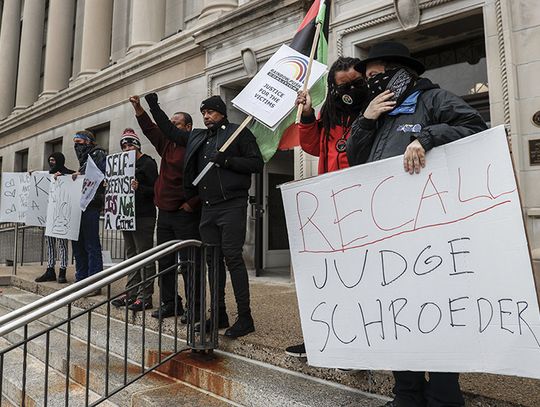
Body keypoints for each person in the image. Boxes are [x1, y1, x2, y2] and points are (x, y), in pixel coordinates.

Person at [347, 41, 488, 407]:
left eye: (375, 75)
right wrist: (366, 120)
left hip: (432, 229)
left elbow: (476, 126)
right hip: (388, 230)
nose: (369, 82)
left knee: (438, 310)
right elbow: (355, 159)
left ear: (399, 74)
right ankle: (406, 393)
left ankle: (443, 394)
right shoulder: (375, 110)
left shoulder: (434, 99)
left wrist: (426, 137)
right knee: (398, 312)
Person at [149, 94, 264, 339]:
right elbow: (169, 131)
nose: (206, 116)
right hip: (208, 207)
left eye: (210, 112)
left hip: (232, 205)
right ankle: (219, 313)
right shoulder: (198, 137)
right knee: (212, 261)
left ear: (221, 113)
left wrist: (227, 160)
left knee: (233, 258)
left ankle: (245, 317)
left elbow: (256, 163)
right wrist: (153, 106)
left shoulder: (238, 132)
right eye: (203, 112)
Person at [286, 56, 367, 358]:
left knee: (358, 281)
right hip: (330, 209)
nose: (349, 91)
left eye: (356, 84)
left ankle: (355, 344)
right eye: (342, 85)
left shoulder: (373, 113)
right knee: (328, 280)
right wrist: (307, 114)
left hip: (363, 209)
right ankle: (322, 338)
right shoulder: (330, 114)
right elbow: (310, 145)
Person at [129, 95, 201, 321]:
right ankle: (171, 303)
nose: (170, 127)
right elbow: (150, 128)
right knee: (166, 262)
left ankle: (195, 307)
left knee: (189, 263)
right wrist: (138, 108)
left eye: (176, 123)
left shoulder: (194, 145)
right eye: (170, 123)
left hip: (185, 213)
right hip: (165, 214)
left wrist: (192, 203)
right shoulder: (166, 143)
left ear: (187, 127)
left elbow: (204, 178)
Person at [111, 128, 158, 311]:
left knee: (144, 255)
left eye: (130, 144)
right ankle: (131, 291)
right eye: (123, 146)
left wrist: (140, 187)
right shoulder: (122, 165)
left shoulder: (148, 163)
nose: (126, 148)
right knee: (131, 256)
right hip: (126, 215)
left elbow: (155, 189)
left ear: (137, 146)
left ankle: (145, 296)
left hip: (143, 215)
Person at [72, 130, 107, 295]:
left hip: (91, 206)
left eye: (79, 142)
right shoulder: (83, 160)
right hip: (80, 206)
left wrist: (80, 175)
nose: (76, 146)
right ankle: (81, 279)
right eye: (75, 143)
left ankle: (94, 282)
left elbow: (96, 174)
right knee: (78, 244)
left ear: (89, 142)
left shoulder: (98, 154)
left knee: (91, 244)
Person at [35, 152, 75, 284]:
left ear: (59, 161)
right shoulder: (48, 175)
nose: (51, 163)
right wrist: (32, 175)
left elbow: (75, 182)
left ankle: (62, 271)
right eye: (49, 160)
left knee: (62, 244)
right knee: (50, 244)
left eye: (53, 160)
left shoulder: (69, 173)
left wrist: (63, 178)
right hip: (49, 215)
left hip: (62, 215)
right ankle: (50, 270)